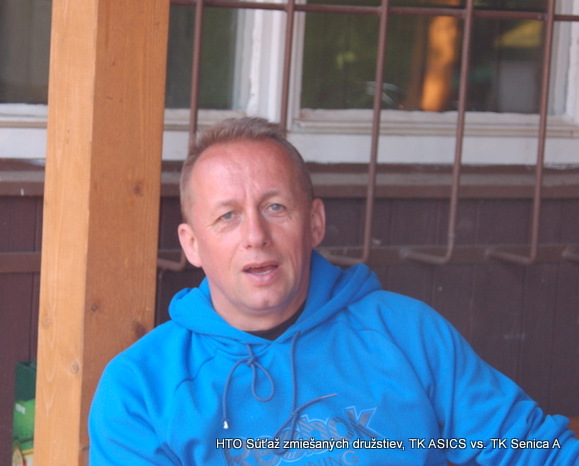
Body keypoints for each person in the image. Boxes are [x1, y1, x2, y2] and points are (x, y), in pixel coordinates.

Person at [89, 117, 578, 465]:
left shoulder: (407, 333)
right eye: (227, 216)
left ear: (315, 222)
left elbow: (533, 448)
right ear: (192, 244)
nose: (256, 235)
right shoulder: (140, 387)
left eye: (276, 207)